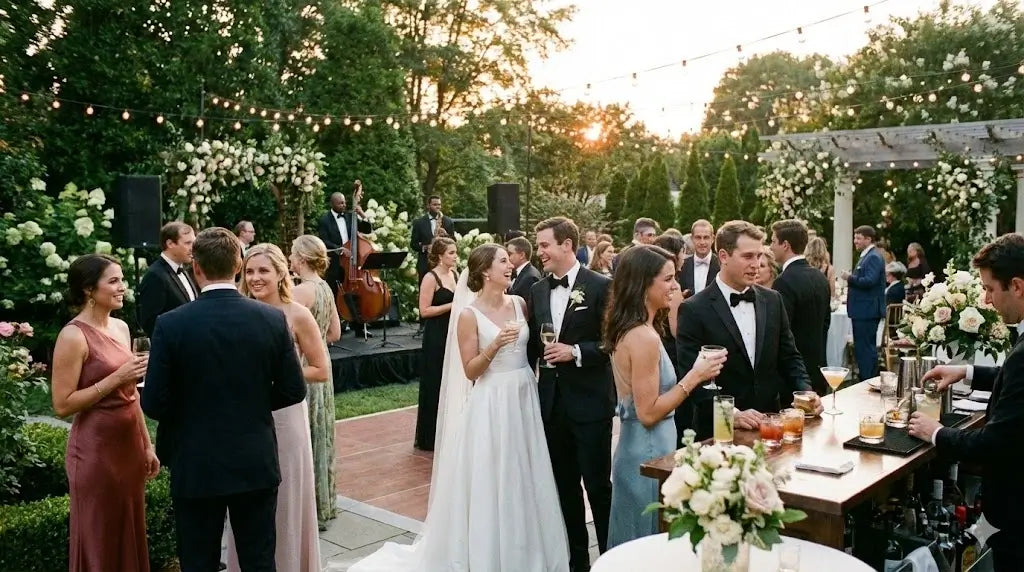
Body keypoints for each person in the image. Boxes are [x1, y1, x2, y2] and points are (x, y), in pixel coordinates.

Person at [350, 244, 570, 571]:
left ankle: (528, 548)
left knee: (525, 468)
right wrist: (495, 344)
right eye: (503, 261)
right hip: (492, 400)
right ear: (485, 271)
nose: (509, 266)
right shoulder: (469, 315)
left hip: (523, 394)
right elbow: (470, 371)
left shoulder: (520, 304)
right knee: (493, 473)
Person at [141, 228, 307, 572]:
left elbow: (153, 402)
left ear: (196, 267)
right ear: (238, 266)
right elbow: (294, 389)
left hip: (195, 461)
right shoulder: (271, 318)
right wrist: (252, 404)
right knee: (259, 561)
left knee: (198, 561)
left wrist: (191, 410)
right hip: (254, 457)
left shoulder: (170, 324)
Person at [907, 233, 1024, 571]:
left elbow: (993, 444)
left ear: (1017, 286)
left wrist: (935, 432)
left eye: (990, 289)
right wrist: (966, 371)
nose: (986, 300)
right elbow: (1013, 379)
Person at [605, 245, 724, 548]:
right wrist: (695, 376)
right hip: (647, 451)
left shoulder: (636, 329)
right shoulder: (643, 337)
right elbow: (648, 413)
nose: (675, 286)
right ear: (643, 284)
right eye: (668, 279)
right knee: (647, 544)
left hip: (644, 447)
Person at [226, 243, 329, 572]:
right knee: (246, 499)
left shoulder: (297, 314)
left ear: (281, 273)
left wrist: (277, 375)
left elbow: (321, 369)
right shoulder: (237, 311)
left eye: (263, 271)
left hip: (285, 415)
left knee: (286, 496)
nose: (255, 278)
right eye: (250, 271)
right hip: (245, 417)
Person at [51, 254, 157, 572]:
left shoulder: (121, 327)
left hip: (129, 449)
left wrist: (146, 444)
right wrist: (116, 377)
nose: (122, 287)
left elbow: (131, 396)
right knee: (100, 536)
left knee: (129, 531)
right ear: (88, 289)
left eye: (122, 280)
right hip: (95, 454)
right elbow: (62, 404)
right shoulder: (73, 336)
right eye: (113, 281)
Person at [676, 221, 822, 440]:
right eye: (748, 256)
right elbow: (693, 377)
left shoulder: (773, 300)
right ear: (723, 256)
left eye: (759, 255)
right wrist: (732, 414)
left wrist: (806, 392)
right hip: (718, 432)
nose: (756, 264)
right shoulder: (694, 309)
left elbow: (790, 357)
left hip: (770, 426)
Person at [527, 217, 614, 571]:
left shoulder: (601, 286)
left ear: (567, 245)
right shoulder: (537, 290)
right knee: (564, 489)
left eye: (545, 245)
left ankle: (609, 559)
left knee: (598, 487)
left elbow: (612, 341)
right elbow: (533, 346)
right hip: (552, 406)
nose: (540, 252)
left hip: (591, 404)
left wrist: (575, 352)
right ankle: (577, 562)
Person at [289, 234, 342, 530]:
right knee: (322, 434)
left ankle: (306, 509)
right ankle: (325, 504)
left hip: (304, 365)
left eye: (293, 253)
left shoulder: (299, 292)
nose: (290, 258)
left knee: (305, 435)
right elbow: (335, 333)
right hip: (323, 363)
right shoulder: (325, 287)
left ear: (302, 258)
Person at [770, 219, 832, 396]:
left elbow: (781, 331)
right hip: (817, 367)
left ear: (785, 245)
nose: (771, 247)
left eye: (773, 241)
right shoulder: (820, 277)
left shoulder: (784, 281)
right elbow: (826, 321)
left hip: (793, 375)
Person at [414, 237, 457, 451]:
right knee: (435, 380)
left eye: (455, 252)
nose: (455, 257)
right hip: (436, 334)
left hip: (453, 332)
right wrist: (452, 306)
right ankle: (430, 436)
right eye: (451, 253)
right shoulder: (430, 278)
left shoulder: (455, 275)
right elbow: (424, 311)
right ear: (440, 256)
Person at [841, 225, 887, 381]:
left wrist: (849, 278)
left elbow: (869, 281)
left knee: (865, 348)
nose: (855, 241)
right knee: (862, 348)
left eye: (858, 238)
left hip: (867, 311)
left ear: (868, 239)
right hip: (863, 310)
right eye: (855, 238)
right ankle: (866, 379)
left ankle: (868, 380)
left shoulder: (873, 257)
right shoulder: (867, 255)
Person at [137, 222, 197, 337]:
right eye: (188, 243)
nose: (193, 248)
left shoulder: (183, 270)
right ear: (170, 244)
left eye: (193, 243)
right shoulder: (155, 275)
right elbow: (150, 322)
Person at [316, 183, 372, 299]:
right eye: (340, 203)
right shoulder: (324, 220)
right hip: (335, 263)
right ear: (332, 204)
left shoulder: (350, 217)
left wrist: (362, 214)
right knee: (335, 293)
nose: (344, 205)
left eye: (345, 203)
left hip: (353, 262)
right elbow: (324, 241)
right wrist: (340, 249)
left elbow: (368, 230)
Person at [410, 195, 455, 282]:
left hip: (443, 263)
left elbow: (453, 242)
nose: (438, 207)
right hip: (425, 264)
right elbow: (413, 244)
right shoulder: (419, 223)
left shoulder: (448, 221)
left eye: (439, 205)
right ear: (428, 206)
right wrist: (426, 247)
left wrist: (446, 235)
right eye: (435, 204)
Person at [678, 219, 718, 298]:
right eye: (698, 237)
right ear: (692, 238)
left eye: (706, 237)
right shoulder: (682, 266)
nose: (702, 242)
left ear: (713, 239)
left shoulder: (722, 265)